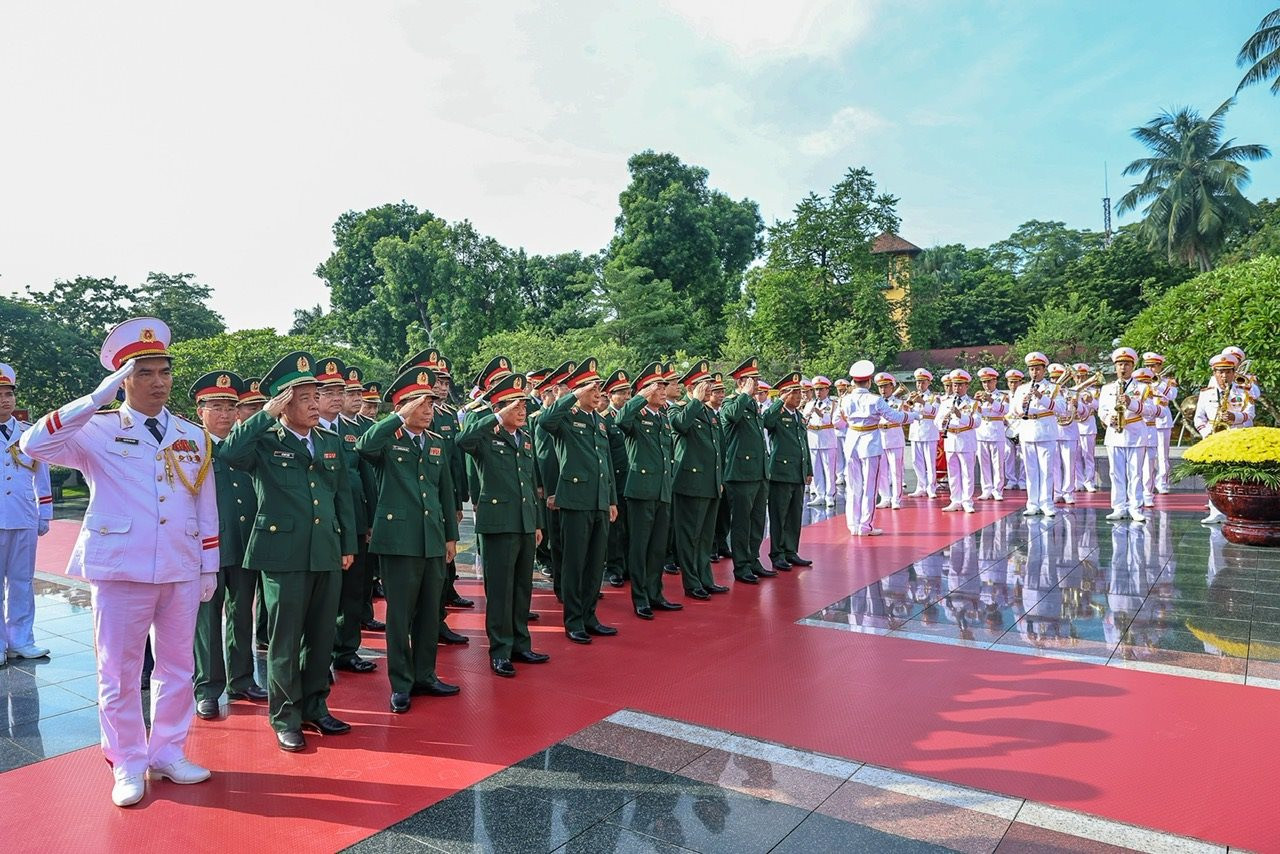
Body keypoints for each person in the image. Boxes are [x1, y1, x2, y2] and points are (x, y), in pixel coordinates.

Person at [20, 319, 218, 806]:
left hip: (180, 565)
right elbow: (33, 445)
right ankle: (127, 759)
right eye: (144, 373)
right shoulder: (98, 429)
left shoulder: (192, 435)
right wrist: (94, 399)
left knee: (178, 667)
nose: (158, 382)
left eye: (164, 371)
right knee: (120, 671)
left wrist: (209, 564)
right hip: (121, 566)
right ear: (122, 380)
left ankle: (167, 751)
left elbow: (204, 503)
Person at [219, 351, 356, 752]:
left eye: (316, 397)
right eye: (305, 398)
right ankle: (285, 716)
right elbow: (229, 454)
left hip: (325, 549)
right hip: (283, 554)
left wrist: (347, 544)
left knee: (321, 636)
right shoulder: (264, 441)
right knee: (284, 640)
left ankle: (315, 706)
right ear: (283, 404)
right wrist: (264, 415)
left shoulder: (329, 441)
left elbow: (341, 496)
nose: (315, 405)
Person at [356, 366, 460, 709]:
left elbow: (444, 492)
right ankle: (401, 683)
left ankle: (425, 674)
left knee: (430, 612)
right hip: (399, 541)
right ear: (403, 407)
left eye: (430, 403)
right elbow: (364, 447)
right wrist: (397, 417)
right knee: (400, 616)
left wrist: (450, 536)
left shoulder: (436, 442)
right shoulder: (388, 439)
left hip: (431, 539)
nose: (429, 410)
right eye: (421, 404)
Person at [456, 369, 547, 678]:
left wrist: (536, 522)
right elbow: (463, 440)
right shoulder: (486, 436)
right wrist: (495, 417)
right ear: (499, 408)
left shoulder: (525, 438)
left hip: (524, 522)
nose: (523, 411)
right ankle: (500, 650)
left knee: (522, 587)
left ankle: (521, 643)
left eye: (524, 405)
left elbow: (530, 483)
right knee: (500, 590)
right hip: (498, 524)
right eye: (515, 406)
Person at [190, 370, 267, 720]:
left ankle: (242, 679)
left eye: (230, 407)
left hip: (244, 541)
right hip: (206, 547)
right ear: (200, 411)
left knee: (242, 613)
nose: (224, 414)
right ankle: (207, 688)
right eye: (216, 407)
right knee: (207, 618)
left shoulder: (245, 445)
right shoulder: (190, 448)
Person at [538, 358, 618, 643]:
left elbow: (606, 463)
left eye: (598, 389)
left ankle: (589, 616)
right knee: (574, 564)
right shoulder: (566, 418)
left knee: (596, 563)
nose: (598, 394)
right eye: (592, 389)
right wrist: (572, 395)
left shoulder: (599, 421)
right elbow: (545, 421)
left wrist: (611, 499)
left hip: (599, 500)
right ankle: (573, 620)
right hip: (575, 500)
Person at [311, 357, 379, 676]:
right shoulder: (307, 431)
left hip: (355, 518)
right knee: (323, 595)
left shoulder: (357, 429)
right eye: (329, 392)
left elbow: (367, 476)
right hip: (322, 522)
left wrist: (371, 519)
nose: (337, 397)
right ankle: (318, 655)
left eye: (341, 391)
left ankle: (347, 649)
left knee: (353, 589)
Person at [615, 362, 681, 620]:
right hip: (641, 491)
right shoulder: (637, 415)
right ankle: (640, 598)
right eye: (658, 387)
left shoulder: (663, 417)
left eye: (665, 387)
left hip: (662, 490)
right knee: (640, 547)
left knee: (657, 547)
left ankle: (655, 593)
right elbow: (621, 420)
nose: (664, 391)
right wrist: (640, 397)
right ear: (646, 390)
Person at [1, 363, 53, 666]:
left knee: (22, 581)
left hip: (23, 515)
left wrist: (44, 513)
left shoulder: (28, 433)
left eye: (8, 394)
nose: (5, 400)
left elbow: (41, 476)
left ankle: (21, 640)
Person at [669, 363, 726, 599]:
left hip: (710, 482)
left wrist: (719, 478)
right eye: (705, 385)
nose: (709, 389)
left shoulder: (708, 412)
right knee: (690, 536)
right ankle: (692, 583)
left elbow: (717, 448)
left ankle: (705, 578)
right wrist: (694, 401)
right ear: (691, 388)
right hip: (691, 483)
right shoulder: (678, 408)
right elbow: (680, 425)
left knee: (705, 536)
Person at [837, 360, 907, 536]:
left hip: (851, 441)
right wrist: (913, 416)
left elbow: (836, 422)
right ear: (868, 382)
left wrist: (850, 422)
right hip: (870, 443)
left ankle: (853, 525)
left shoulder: (844, 399)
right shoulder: (875, 400)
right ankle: (865, 525)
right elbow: (895, 417)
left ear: (854, 382)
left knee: (853, 486)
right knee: (870, 486)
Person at [721, 357, 771, 583]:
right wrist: (744, 394)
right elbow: (731, 416)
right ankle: (741, 565)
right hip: (740, 474)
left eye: (757, 380)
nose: (757, 384)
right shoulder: (732, 402)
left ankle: (753, 558)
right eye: (753, 380)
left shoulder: (752, 404)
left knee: (758, 521)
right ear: (741, 382)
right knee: (742, 523)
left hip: (758, 472)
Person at [1193, 352, 1255, 524]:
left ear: (1234, 373)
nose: (1224, 376)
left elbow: (1250, 414)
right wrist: (1207, 433)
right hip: (1214, 438)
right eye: (1220, 372)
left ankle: (1237, 510)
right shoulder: (1206, 394)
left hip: (1237, 437)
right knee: (1214, 475)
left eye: (1228, 372)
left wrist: (1235, 417)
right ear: (1214, 373)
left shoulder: (1244, 391)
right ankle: (1215, 511)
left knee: (1237, 475)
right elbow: (1198, 418)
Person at [1098, 347, 1156, 523]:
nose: (1123, 368)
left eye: (1127, 364)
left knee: (1135, 473)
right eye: (1120, 364)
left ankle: (1135, 507)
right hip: (1115, 434)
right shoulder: (1107, 388)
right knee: (1115, 473)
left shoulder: (1143, 387)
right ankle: (1119, 507)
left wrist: (1132, 404)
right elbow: (1102, 410)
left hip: (1135, 433)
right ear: (1115, 367)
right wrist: (1108, 419)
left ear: (1133, 366)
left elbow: (1151, 410)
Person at [763, 372, 813, 570]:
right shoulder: (777, 413)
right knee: (779, 515)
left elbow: (804, 445)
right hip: (781, 472)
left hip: (797, 472)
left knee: (794, 515)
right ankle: (777, 553)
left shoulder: (798, 416)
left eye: (800, 393)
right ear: (784, 394)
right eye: (794, 393)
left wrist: (808, 469)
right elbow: (767, 422)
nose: (799, 396)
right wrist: (779, 402)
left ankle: (791, 551)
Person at [1009, 352, 1064, 517]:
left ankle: (1047, 503)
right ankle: (1032, 503)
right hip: (1027, 430)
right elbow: (1013, 410)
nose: (1034, 372)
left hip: (1046, 431)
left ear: (1044, 370)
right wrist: (1022, 405)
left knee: (1046, 470)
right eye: (1032, 369)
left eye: (1038, 369)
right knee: (1031, 470)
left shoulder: (1053, 388)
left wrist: (1041, 398)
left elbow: (1061, 409)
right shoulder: (1022, 389)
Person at [602, 370, 631, 588]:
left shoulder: (632, 415)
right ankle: (614, 567)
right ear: (611, 395)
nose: (627, 397)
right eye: (622, 393)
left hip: (632, 480)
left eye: (629, 392)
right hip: (615, 480)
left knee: (630, 527)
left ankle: (628, 566)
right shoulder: (605, 419)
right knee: (615, 528)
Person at [935, 370, 980, 513]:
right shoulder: (946, 403)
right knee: (953, 472)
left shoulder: (973, 403)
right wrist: (943, 422)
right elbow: (936, 421)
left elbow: (977, 422)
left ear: (967, 386)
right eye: (955, 385)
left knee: (967, 473)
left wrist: (961, 416)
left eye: (960, 385)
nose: (957, 388)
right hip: (950, 440)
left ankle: (967, 501)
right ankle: (955, 500)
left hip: (966, 440)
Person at [873, 372, 914, 510]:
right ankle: (885, 497)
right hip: (880, 437)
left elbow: (907, 418)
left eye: (886, 386)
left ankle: (896, 498)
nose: (883, 390)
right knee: (881, 471)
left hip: (894, 437)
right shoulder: (875, 402)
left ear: (892, 386)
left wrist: (907, 410)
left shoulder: (899, 403)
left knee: (896, 471)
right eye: (880, 387)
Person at [1142, 353, 1178, 495]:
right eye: (1147, 366)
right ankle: (1147, 484)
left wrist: (1159, 383)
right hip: (1147, 420)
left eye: (1153, 366)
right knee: (1147, 455)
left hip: (1162, 420)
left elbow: (1172, 395)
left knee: (1163, 455)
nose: (1150, 369)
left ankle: (1162, 482)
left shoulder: (1167, 382)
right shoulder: (1141, 381)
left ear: (1160, 366)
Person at [802, 376, 838, 507]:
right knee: (815, 470)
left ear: (827, 390)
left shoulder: (833, 404)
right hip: (813, 439)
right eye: (816, 389)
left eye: (821, 389)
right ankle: (819, 494)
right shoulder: (809, 404)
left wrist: (820, 413)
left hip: (827, 439)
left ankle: (830, 495)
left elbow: (832, 421)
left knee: (829, 470)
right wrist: (805, 418)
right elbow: (804, 421)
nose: (818, 392)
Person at [973, 367, 1007, 502]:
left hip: (996, 431)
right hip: (982, 432)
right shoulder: (978, 396)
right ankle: (986, 489)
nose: (986, 385)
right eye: (984, 382)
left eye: (989, 381)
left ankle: (998, 490)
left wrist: (991, 400)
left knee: (998, 463)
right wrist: (975, 403)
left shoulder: (1002, 396)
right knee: (984, 463)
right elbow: (972, 413)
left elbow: (1005, 410)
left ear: (995, 381)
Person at [907, 369, 940, 499]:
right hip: (915, 431)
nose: (920, 385)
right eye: (918, 382)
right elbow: (907, 412)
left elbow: (935, 412)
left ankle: (931, 487)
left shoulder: (934, 397)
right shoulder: (912, 396)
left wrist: (922, 402)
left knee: (930, 462)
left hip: (929, 431)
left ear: (928, 382)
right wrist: (908, 404)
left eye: (923, 382)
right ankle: (921, 486)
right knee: (916, 461)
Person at [1072, 363, 1100, 493]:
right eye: (1077, 376)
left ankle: (1089, 481)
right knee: (1075, 456)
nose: (1080, 379)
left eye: (1083, 376)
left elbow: (1099, 407)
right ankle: (1078, 481)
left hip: (1088, 426)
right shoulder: (1071, 391)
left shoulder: (1094, 391)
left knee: (1089, 456)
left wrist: (1090, 401)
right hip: (1074, 426)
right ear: (1073, 378)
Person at [1002, 369, 1027, 491]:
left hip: (1021, 425)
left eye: (1016, 382)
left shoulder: (1024, 394)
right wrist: (1003, 418)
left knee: (1023, 455)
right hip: (1008, 427)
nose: (1013, 385)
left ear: (1020, 382)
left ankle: (1023, 480)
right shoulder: (1004, 396)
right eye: (1011, 382)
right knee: (1008, 455)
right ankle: (1011, 480)